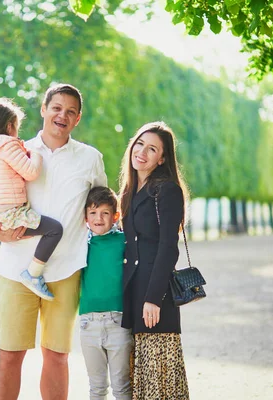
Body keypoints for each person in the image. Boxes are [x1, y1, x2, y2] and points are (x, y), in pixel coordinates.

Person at [0, 84, 108, 400]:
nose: (62, 115)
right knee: (10, 356)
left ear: (78, 118)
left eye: (70, 111)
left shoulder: (91, 159)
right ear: (43, 109)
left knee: (56, 356)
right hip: (16, 270)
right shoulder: (16, 151)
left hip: (65, 273)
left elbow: (102, 208)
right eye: (56, 108)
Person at [0, 97, 63, 300]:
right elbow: (31, 172)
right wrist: (35, 154)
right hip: (11, 214)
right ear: (9, 126)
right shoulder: (7, 144)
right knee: (54, 229)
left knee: (29, 233)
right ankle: (33, 274)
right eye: (17, 127)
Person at [118, 121, 190, 400]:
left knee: (159, 375)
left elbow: (168, 247)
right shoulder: (129, 191)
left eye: (152, 149)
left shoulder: (167, 190)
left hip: (154, 295)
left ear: (162, 159)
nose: (142, 152)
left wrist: (153, 297)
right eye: (140, 144)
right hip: (134, 291)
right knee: (141, 378)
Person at [79, 186, 133, 400]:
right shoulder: (81, 244)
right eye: (93, 213)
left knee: (121, 386)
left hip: (118, 322)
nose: (98, 218)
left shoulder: (124, 242)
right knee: (97, 387)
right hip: (87, 323)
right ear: (85, 217)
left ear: (115, 216)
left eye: (104, 213)